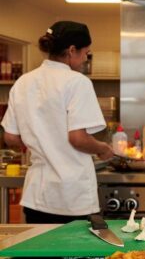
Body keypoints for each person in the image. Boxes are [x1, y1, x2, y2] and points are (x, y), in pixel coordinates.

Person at [1, 21, 113, 223]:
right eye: (85, 53)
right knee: (74, 254)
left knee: (42, 253)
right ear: (72, 50)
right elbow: (78, 139)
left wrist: (40, 142)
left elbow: (10, 137)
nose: (85, 59)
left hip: (37, 197)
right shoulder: (77, 82)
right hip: (71, 198)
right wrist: (102, 148)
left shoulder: (23, 82)